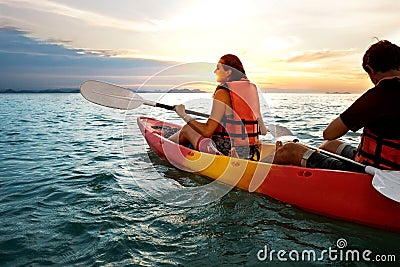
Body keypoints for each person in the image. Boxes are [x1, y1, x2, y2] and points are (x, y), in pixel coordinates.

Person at [273, 40, 400, 171]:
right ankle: (311, 165)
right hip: (392, 168)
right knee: (331, 145)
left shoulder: (377, 96)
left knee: (289, 149)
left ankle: (270, 164)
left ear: (370, 70)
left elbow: (329, 133)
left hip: (375, 174)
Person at [169, 54, 267, 160]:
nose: (214, 72)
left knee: (188, 128)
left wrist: (182, 114)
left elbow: (207, 132)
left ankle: (165, 145)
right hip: (251, 150)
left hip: (226, 150)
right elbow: (263, 131)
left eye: (218, 68)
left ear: (228, 72)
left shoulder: (223, 93)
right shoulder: (251, 90)